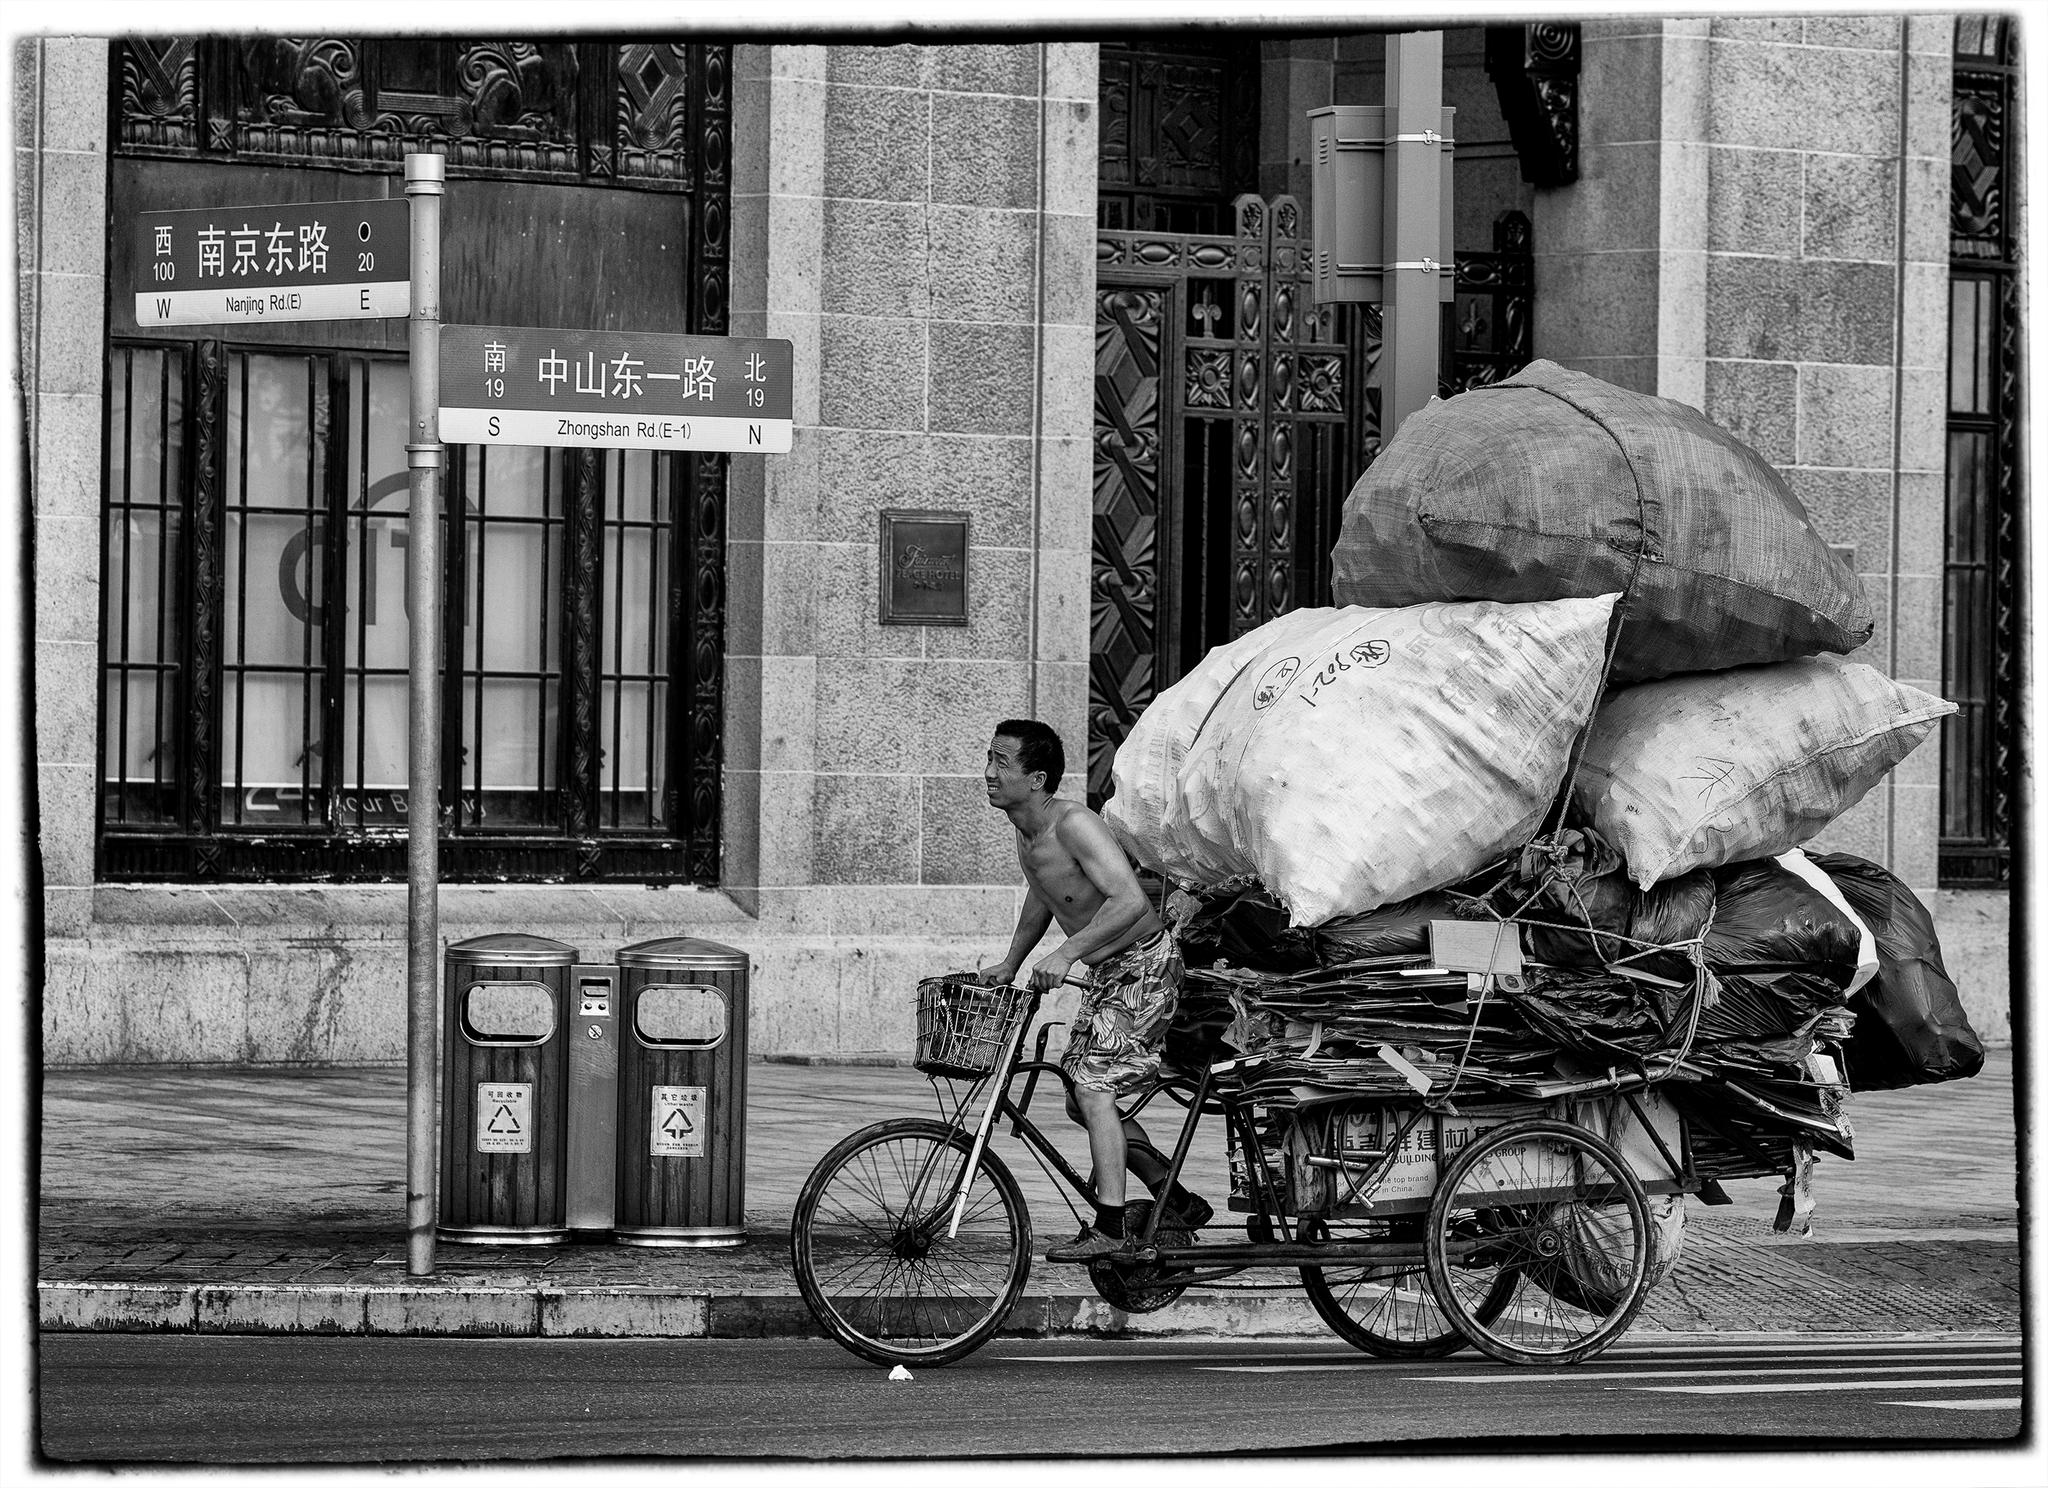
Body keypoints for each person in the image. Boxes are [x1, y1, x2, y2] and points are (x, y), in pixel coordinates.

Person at [976, 718, 1212, 1261]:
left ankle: (1111, 1227)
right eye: (988, 760)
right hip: (1110, 974)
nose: (988, 774)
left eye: (1000, 763)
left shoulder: (1074, 824)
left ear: (1037, 779)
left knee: (1093, 1090)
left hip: (1145, 966)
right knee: (1080, 1102)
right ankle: (1175, 1196)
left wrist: (1065, 953)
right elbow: (1044, 895)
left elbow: (1130, 902)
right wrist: (1013, 961)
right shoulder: (1027, 829)